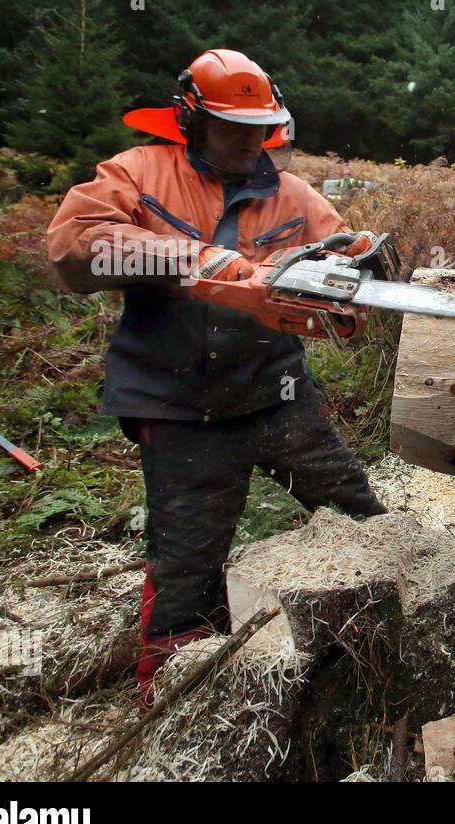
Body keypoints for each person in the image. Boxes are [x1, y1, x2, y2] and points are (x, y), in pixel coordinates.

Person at [45, 49, 387, 711]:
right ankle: (175, 713)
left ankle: (379, 657)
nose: (247, 140)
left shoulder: (293, 195)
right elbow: (71, 244)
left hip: (278, 393)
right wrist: (193, 258)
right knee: (186, 577)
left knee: (362, 520)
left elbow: (343, 260)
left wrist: (359, 275)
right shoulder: (140, 173)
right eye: (232, 125)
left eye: (258, 127)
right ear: (191, 117)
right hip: (177, 407)